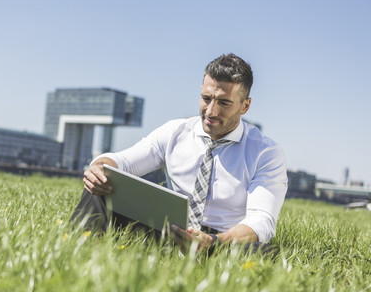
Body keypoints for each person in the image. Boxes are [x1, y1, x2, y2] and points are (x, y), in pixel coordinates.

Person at [70, 53, 288, 254]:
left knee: (266, 254)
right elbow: (124, 161)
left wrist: (214, 242)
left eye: (224, 102)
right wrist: (100, 165)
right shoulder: (175, 131)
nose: (211, 111)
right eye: (206, 98)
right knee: (101, 182)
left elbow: (262, 220)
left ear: (245, 106)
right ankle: (77, 256)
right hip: (168, 231)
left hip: (221, 242)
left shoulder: (265, 153)